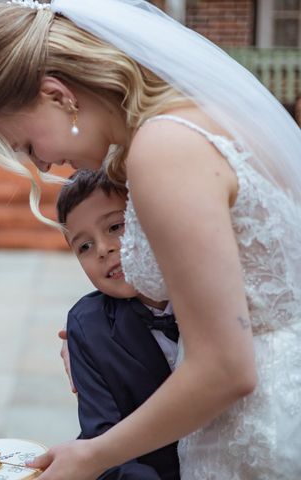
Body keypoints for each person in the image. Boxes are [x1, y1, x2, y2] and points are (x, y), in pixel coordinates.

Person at [0, 1, 301, 479]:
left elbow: (225, 368)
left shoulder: (164, 149)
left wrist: (92, 454)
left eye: (27, 145)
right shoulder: (199, 119)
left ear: (58, 96)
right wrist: (100, 337)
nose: (40, 165)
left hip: (256, 436)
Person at [58, 169, 180, 479]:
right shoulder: (87, 327)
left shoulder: (207, 290)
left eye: (115, 226)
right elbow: (100, 439)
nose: (103, 249)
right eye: (83, 246)